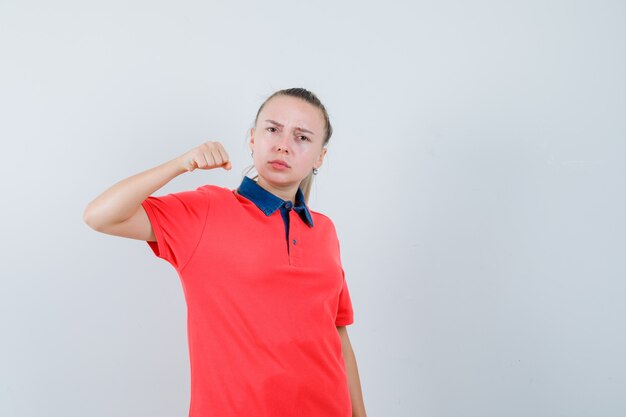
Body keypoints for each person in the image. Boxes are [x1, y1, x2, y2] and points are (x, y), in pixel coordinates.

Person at [83, 88, 367, 417]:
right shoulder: (208, 210)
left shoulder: (325, 230)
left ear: (320, 157)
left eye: (302, 137)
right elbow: (100, 216)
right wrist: (179, 165)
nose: (283, 145)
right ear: (252, 138)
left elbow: (336, 332)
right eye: (272, 129)